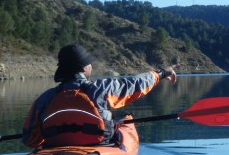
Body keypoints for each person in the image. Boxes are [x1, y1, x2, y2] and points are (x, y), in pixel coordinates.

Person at [23, 44, 179, 149]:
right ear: (83, 67)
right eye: (89, 63)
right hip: (98, 148)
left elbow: (30, 139)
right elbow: (137, 84)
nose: (91, 66)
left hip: (54, 151)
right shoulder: (101, 89)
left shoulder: (44, 98)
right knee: (123, 125)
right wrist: (162, 72)